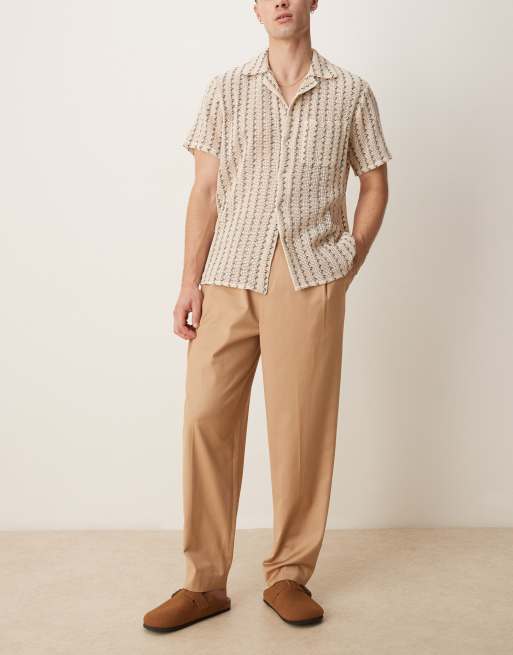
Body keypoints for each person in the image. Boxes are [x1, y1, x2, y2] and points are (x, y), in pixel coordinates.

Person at [143, 0, 391, 633]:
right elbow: (204, 190)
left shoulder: (351, 92)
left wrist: (347, 261)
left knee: (300, 428)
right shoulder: (225, 88)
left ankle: (288, 575)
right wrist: (188, 282)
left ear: (312, 3)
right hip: (229, 272)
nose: (281, 1)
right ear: (254, 8)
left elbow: (375, 183)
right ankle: (203, 583)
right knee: (205, 418)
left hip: (308, 275)